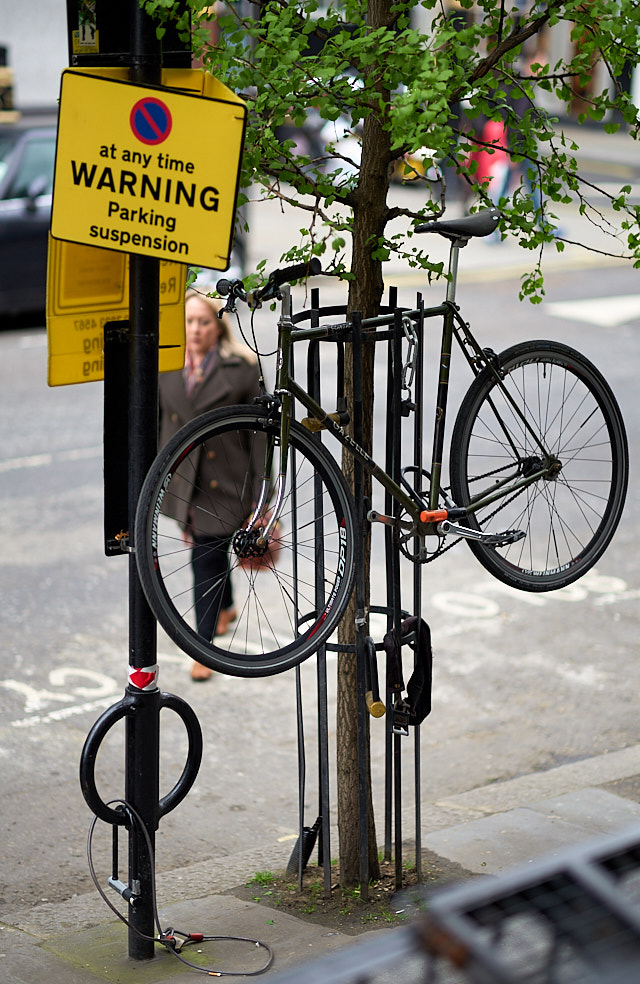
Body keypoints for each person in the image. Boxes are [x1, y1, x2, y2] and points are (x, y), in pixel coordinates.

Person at [158, 290, 262, 680]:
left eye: (203, 321)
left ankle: (204, 650)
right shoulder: (166, 366)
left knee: (206, 558)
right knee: (211, 551)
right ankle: (227, 606)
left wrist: (260, 493)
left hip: (230, 480)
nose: (196, 329)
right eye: (189, 321)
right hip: (186, 481)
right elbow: (158, 425)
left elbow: (261, 436)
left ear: (217, 325)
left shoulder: (242, 368)